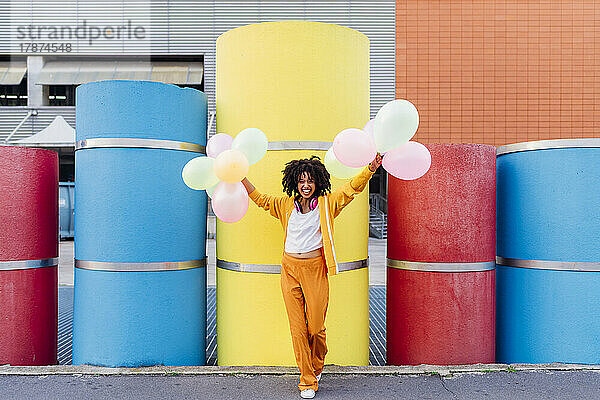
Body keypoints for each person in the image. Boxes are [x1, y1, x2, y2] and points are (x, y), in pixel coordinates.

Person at [241, 153, 382, 399]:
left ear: (317, 182)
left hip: (315, 269)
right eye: (301, 181)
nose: (305, 185)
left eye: (310, 181)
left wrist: (370, 168)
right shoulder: (285, 205)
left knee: (315, 328)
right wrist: (241, 178)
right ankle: (307, 380)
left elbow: (351, 189)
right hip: (289, 270)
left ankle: (317, 364)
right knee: (298, 330)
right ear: (294, 182)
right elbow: (260, 199)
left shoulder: (328, 204)